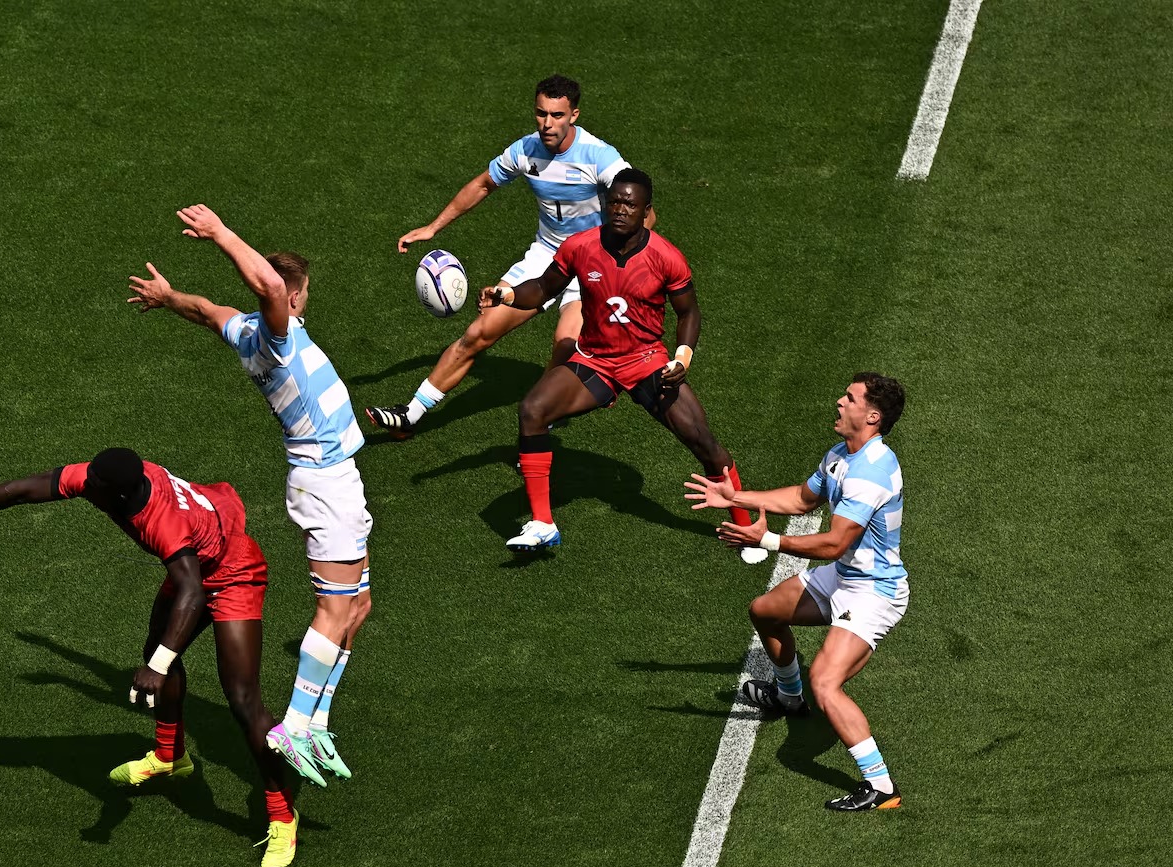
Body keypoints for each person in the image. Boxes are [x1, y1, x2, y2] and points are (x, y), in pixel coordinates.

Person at [0, 447, 301, 867]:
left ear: (119, 494)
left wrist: (156, 667)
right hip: (192, 566)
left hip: (230, 572)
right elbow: (23, 490)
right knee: (158, 651)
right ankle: (170, 759)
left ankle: (283, 817)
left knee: (241, 698)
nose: (84, 488)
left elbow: (191, 591)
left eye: (94, 487)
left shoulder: (161, 522)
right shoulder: (105, 479)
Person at [127, 204, 371, 791]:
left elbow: (208, 311)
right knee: (334, 611)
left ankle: (315, 722)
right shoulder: (279, 338)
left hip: (338, 481)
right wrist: (219, 234)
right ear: (293, 300)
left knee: (357, 609)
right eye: (298, 294)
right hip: (327, 482)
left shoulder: (246, 332)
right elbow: (262, 284)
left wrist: (168, 297)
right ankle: (294, 724)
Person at [478, 168, 762, 560]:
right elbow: (544, 287)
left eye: (630, 204)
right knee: (533, 410)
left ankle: (745, 527)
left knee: (702, 441)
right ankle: (544, 523)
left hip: (646, 361)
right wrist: (507, 294)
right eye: (614, 202)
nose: (620, 210)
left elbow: (689, 313)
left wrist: (682, 356)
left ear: (646, 211)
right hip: (594, 359)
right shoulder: (580, 246)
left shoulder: (666, 257)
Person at [365, 74, 650, 439]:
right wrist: (433, 227)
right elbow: (484, 184)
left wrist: (625, 264)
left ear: (574, 115)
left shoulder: (600, 157)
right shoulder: (525, 150)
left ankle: (539, 425)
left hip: (592, 264)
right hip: (546, 256)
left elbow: (641, 211)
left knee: (565, 345)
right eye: (541, 113)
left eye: (557, 115)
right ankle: (411, 414)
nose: (547, 124)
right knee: (479, 332)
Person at [684, 373, 909, 812]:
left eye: (850, 398)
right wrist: (738, 497)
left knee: (826, 683)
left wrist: (767, 542)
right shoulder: (843, 454)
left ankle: (882, 787)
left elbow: (834, 543)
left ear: (872, 415)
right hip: (845, 577)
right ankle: (789, 697)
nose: (839, 402)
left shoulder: (872, 472)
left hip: (874, 593)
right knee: (765, 610)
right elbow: (803, 500)